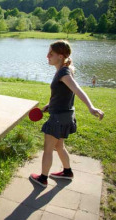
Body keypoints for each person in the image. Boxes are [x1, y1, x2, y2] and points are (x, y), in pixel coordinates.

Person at [30, 40, 104, 188]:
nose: (47, 56)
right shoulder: (65, 69)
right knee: (59, 146)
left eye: (51, 53)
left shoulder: (63, 72)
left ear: (61, 55)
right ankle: (67, 172)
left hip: (58, 118)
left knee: (48, 149)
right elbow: (63, 94)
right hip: (66, 116)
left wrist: (91, 107)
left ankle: (43, 179)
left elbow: (77, 90)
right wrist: (49, 105)